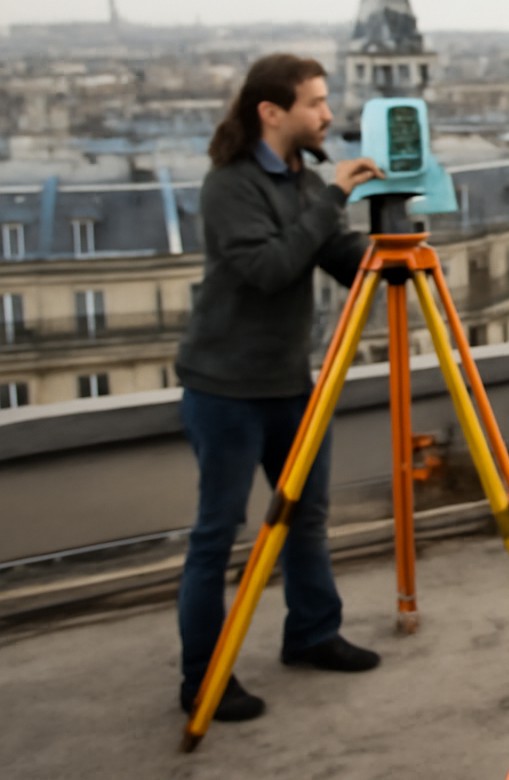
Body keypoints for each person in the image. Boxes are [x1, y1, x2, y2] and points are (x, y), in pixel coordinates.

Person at [174, 53, 385, 722]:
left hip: (290, 381)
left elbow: (330, 253)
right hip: (227, 388)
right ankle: (203, 679)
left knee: (306, 519)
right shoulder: (229, 186)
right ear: (272, 112)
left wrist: (395, 247)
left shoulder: (301, 180)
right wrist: (332, 199)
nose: (328, 115)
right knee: (218, 535)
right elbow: (271, 267)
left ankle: (313, 633)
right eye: (315, 103)